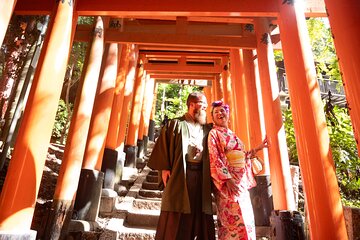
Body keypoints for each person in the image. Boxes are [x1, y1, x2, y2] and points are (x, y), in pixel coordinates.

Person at [147, 92, 215, 240]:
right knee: (176, 209)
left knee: (198, 210)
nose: (205, 107)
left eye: (206, 105)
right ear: (192, 105)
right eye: (202, 104)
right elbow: (163, 147)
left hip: (201, 176)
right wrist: (164, 168)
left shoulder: (207, 129)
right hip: (180, 174)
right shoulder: (175, 124)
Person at [208, 100, 268, 240]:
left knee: (246, 217)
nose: (220, 113)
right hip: (227, 184)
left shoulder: (231, 134)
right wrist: (227, 179)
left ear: (228, 114)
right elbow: (215, 158)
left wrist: (258, 148)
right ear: (213, 117)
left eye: (223, 110)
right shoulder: (214, 134)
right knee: (232, 220)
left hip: (239, 183)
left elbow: (242, 155)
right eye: (216, 112)